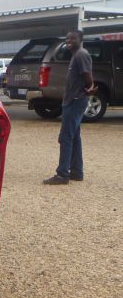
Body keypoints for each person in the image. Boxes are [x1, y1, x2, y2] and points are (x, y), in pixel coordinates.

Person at [43, 30, 95, 185]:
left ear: (80, 40)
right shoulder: (77, 55)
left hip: (75, 101)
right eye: (67, 38)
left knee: (65, 138)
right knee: (74, 137)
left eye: (72, 38)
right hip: (73, 100)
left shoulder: (81, 55)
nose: (68, 41)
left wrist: (89, 87)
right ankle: (77, 172)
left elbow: (88, 76)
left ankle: (62, 174)